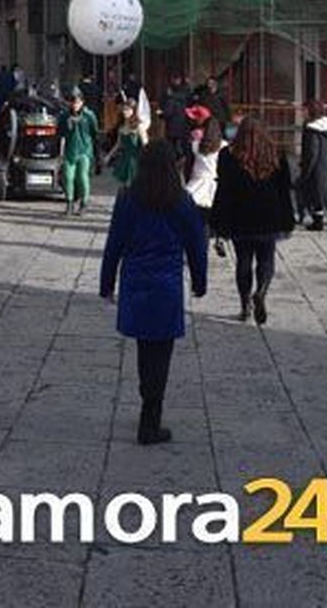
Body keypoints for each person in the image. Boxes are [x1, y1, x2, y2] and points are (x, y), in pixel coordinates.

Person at [99, 141, 207, 445]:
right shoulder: (182, 201)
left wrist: (107, 283)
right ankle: (151, 415)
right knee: (162, 351)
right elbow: (196, 245)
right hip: (167, 283)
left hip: (136, 281)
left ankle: (148, 401)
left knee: (145, 348)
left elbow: (114, 244)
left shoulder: (128, 199)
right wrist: (200, 281)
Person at [211, 120, 296, 324]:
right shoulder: (276, 154)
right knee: (266, 258)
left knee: (243, 260)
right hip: (269, 215)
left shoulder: (228, 155)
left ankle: (245, 305)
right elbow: (284, 189)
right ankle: (261, 291)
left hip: (240, 215)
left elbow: (223, 190)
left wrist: (217, 221)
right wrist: (288, 218)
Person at [297, 102, 327, 231]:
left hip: (317, 166)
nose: (301, 113)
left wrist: (306, 169)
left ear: (310, 111)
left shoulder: (311, 129)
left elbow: (312, 151)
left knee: (315, 195)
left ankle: (318, 222)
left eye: (304, 110)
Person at [59, 88, 101, 216]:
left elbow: (95, 134)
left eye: (77, 102)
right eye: (72, 102)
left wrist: (97, 155)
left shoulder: (89, 115)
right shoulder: (64, 116)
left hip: (84, 150)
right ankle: (69, 203)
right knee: (68, 177)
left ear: (82, 102)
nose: (75, 105)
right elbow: (60, 134)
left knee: (82, 177)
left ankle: (84, 204)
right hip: (70, 151)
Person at [185, 120, 224, 254]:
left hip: (197, 184)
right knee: (215, 216)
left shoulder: (196, 145)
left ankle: (200, 246)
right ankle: (218, 238)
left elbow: (189, 166)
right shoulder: (223, 146)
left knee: (200, 220)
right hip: (214, 183)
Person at [103, 99, 144, 188]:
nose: (125, 112)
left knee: (134, 185)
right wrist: (109, 156)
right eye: (124, 109)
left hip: (135, 159)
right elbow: (118, 144)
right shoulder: (121, 127)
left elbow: (145, 144)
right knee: (125, 186)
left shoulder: (139, 126)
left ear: (133, 110)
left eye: (128, 109)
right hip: (125, 158)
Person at [161, 73, 192, 163]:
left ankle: (174, 161)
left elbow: (168, 112)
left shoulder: (171, 98)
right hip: (183, 124)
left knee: (172, 146)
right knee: (182, 145)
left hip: (172, 126)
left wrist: (161, 114)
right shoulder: (185, 94)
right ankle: (182, 159)